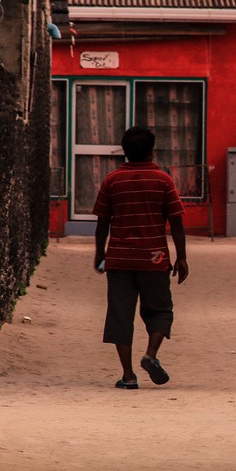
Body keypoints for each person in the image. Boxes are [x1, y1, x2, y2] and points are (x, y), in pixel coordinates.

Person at [93, 126, 188, 389]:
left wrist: (100, 255)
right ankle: (151, 354)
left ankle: (128, 376)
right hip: (154, 258)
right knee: (160, 309)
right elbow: (176, 222)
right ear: (151, 151)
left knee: (120, 315)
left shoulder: (112, 181)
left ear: (124, 152)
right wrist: (181, 257)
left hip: (120, 259)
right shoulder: (163, 181)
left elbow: (102, 223)